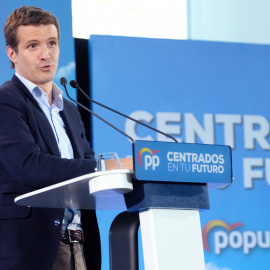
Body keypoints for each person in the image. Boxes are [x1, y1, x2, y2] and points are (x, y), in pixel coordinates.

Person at [0, 5, 133, 270]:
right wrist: (109, 167)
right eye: (33, 46)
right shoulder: (7, 101)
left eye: (52, 43)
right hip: (31, 250)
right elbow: (30, 166)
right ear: (12, 53)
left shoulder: (69, 108)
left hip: (80, 246)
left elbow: (86, 174)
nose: (46, 54)